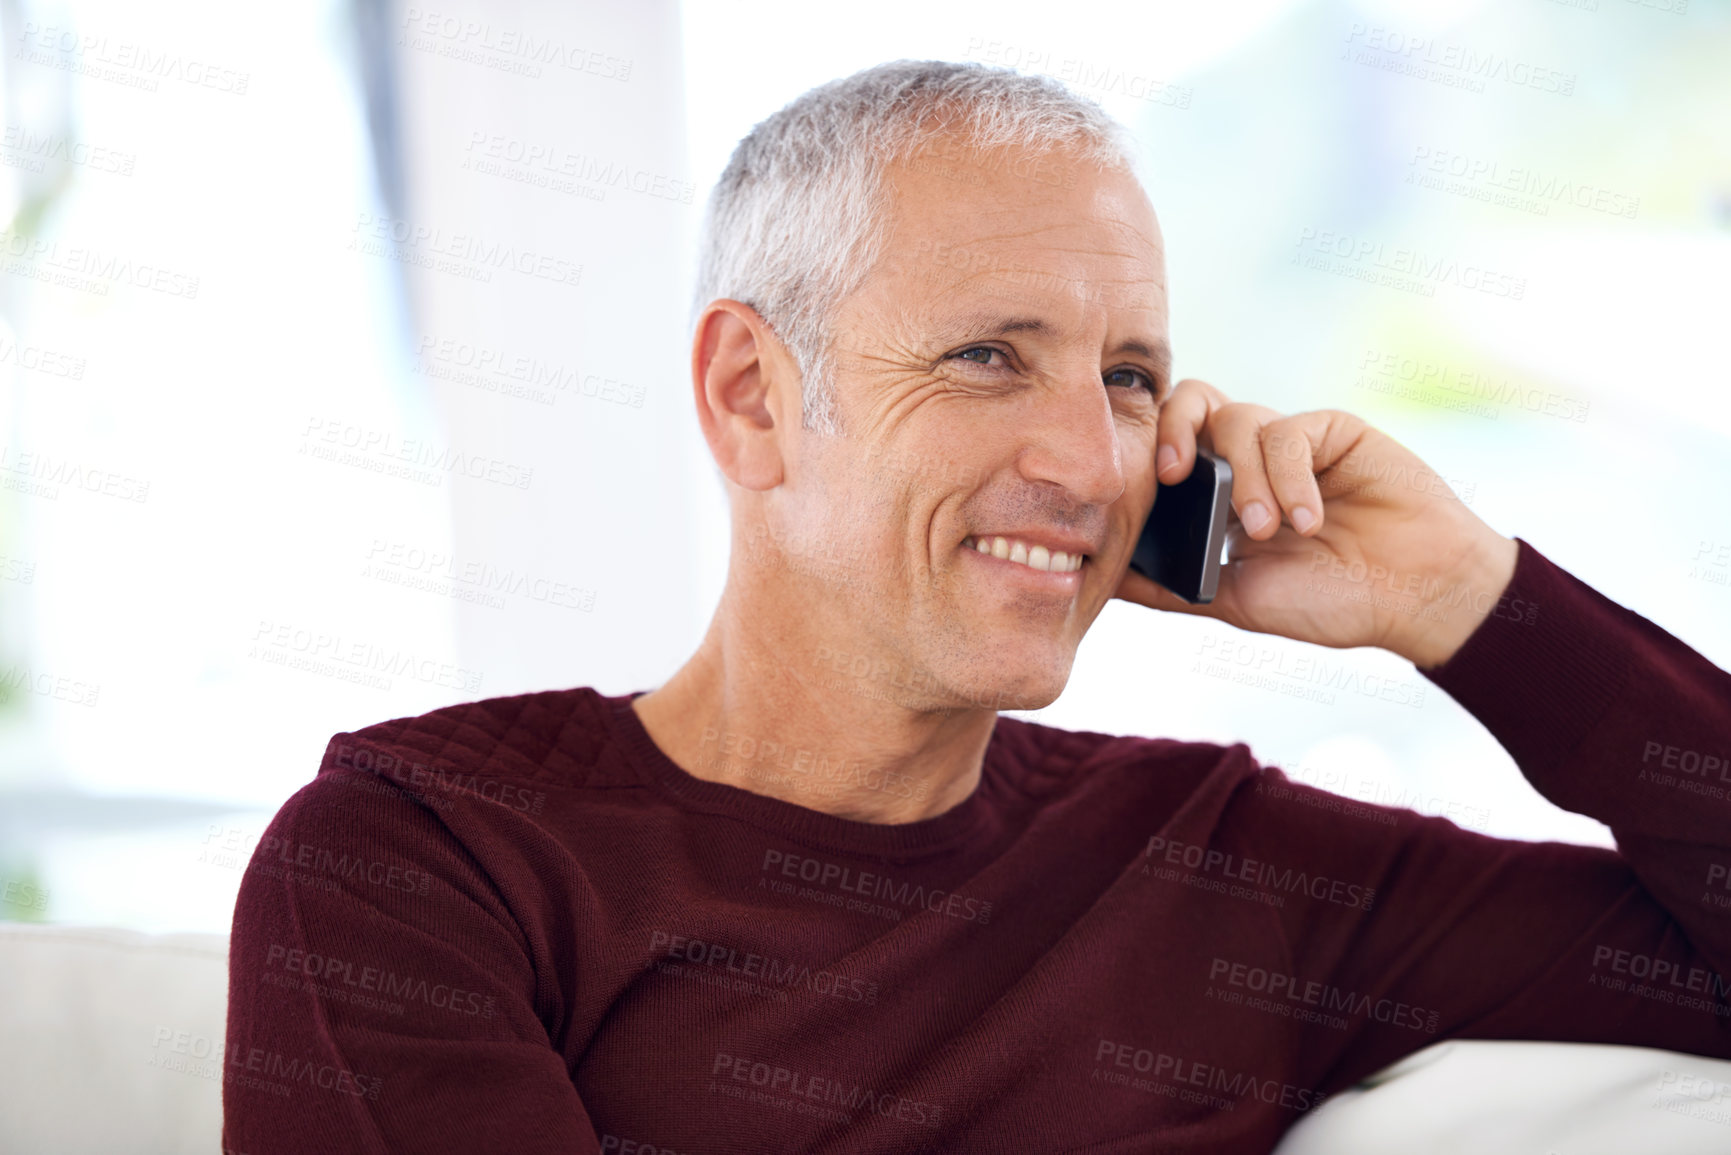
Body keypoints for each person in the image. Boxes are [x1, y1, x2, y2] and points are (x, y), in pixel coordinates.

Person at [223, 60, 1731, 1154]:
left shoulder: (1230, 875)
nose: (1091, 462)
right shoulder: (420, 865)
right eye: (986, 358)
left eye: (1130, 376)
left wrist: (1471, 604)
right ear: (754, 398)